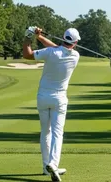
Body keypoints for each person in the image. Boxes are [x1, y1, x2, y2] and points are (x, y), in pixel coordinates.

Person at [23, 26, 81, 182]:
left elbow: (28, 54)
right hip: (60, 100)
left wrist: (29, 37)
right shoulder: (76, 55)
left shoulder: (51, 53)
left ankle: (45, 167)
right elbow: (58, 49)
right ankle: (53, 165)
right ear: (75, 43)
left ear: (63, 38)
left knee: (45, 132)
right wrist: (40, 37)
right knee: (57, 133)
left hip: (43, 97)